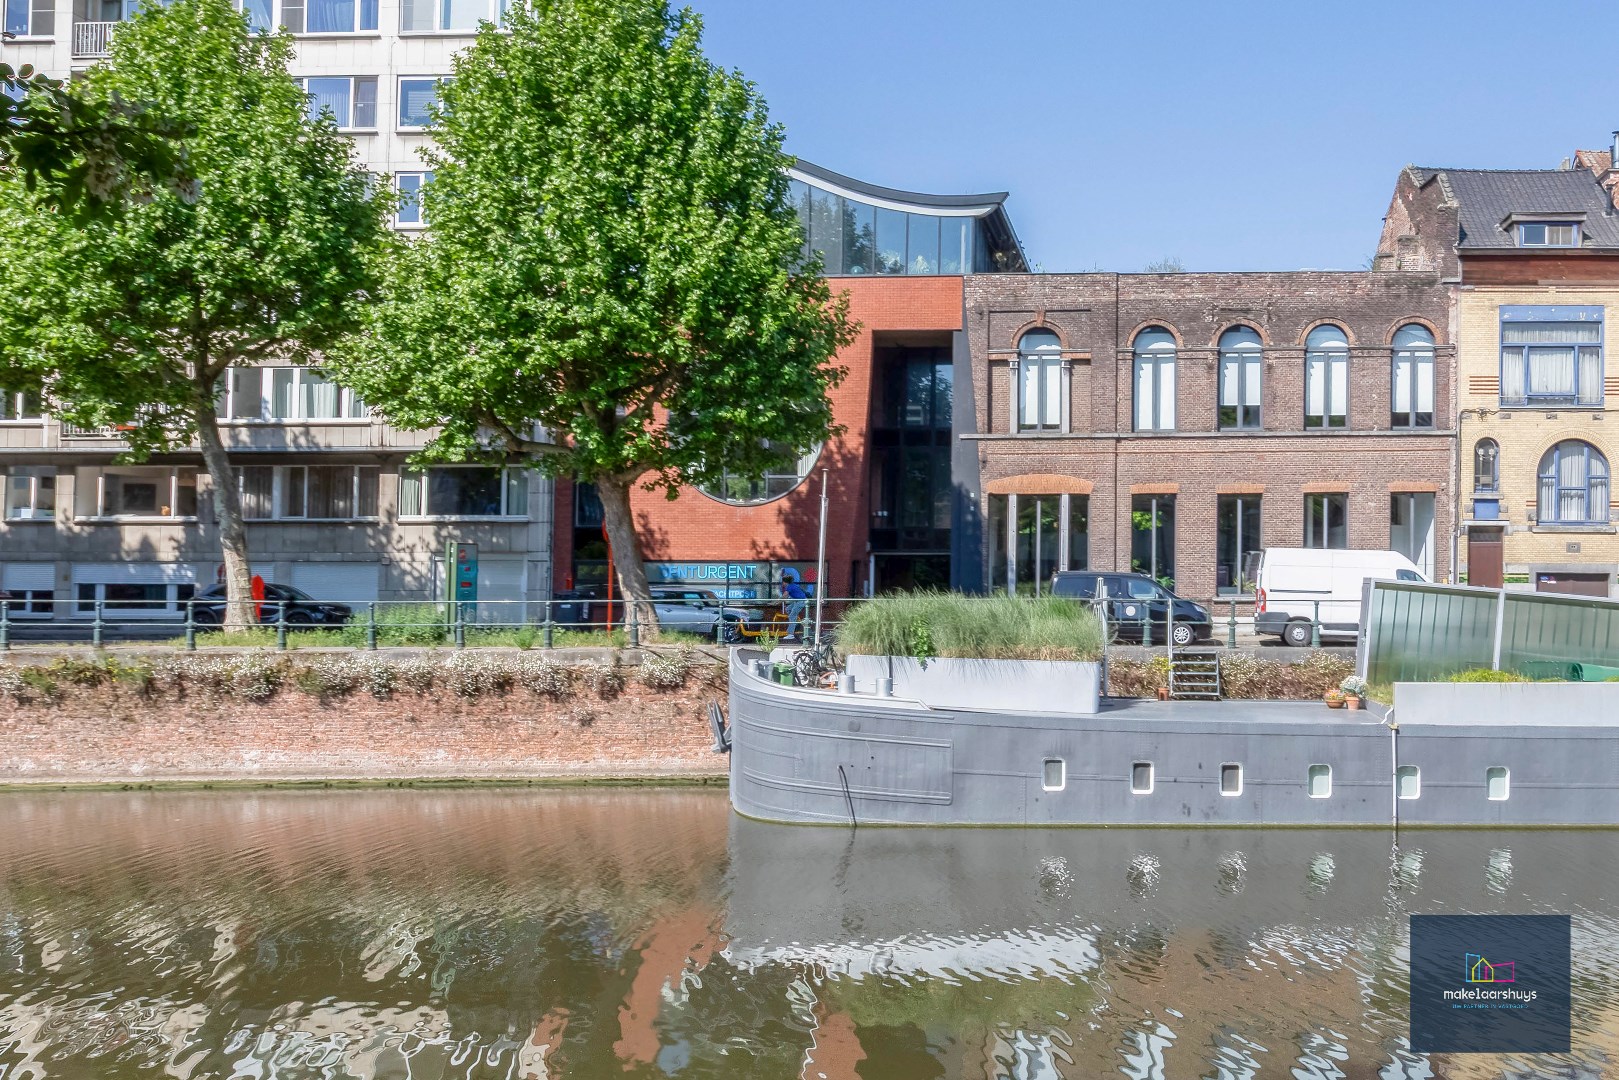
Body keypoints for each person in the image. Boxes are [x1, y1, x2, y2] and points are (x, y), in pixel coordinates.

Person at [781, 569, 809, 642]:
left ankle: (790, 634)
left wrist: (775, 602)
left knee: (792, 616)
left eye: (782, 582)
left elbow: (784, 596)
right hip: (797, 601)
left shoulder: (789, 586)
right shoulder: (792, 585)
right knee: (788, 609)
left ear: (785, 582)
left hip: (801, 601)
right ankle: (794, 622)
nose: (782, 584)